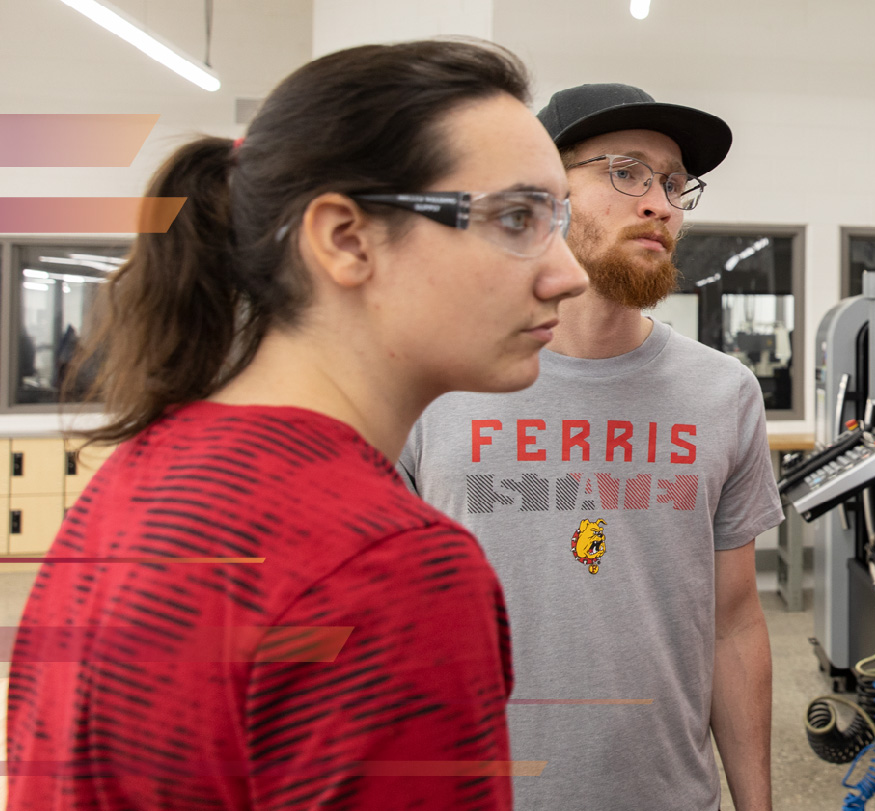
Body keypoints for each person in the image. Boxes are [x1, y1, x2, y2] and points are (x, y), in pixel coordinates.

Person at [6, 40, 588, 809]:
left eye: (558, 220)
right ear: (346, 238)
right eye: (517, 218)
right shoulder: (391, 568)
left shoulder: (134, 478)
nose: (569, 272)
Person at [398, 83, 780, 811]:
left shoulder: (723, 394)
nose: (661, 203)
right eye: (627, 171)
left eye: (674, 183)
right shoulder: (434, 380)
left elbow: (734, 623)